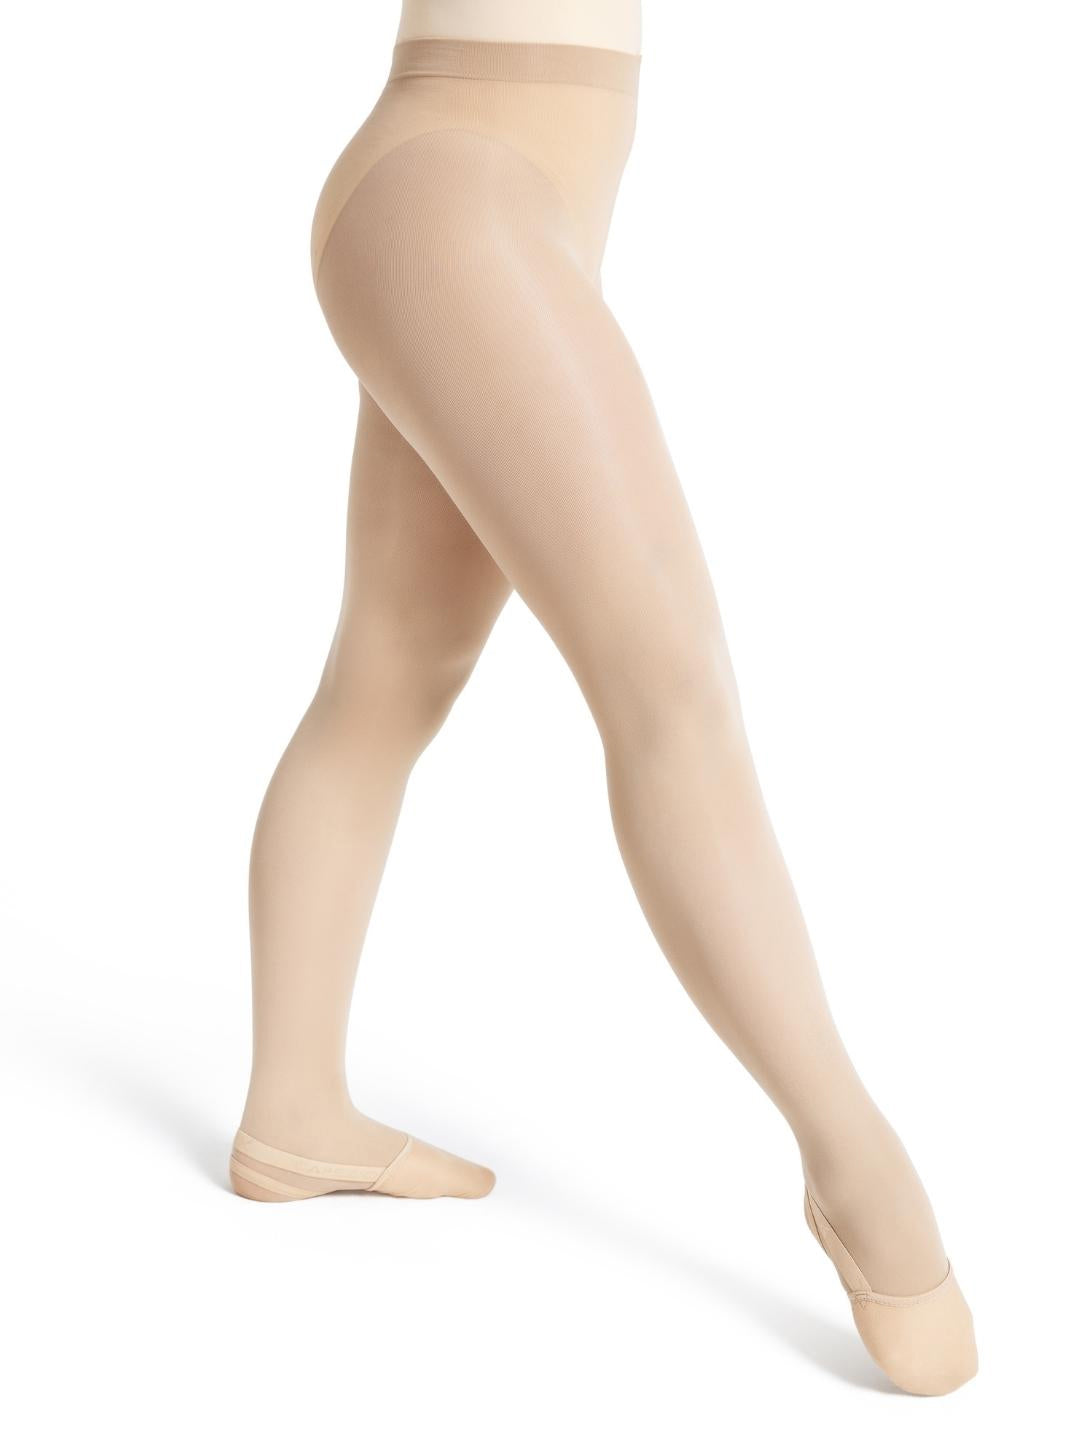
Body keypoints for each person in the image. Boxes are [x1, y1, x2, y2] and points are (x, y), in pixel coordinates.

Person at [229, 0, 977, 1396]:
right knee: (671, 691)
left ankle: (294, 1111)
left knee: (389, 676)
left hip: (481, 196)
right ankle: (858, 1165)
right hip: (454, 195)